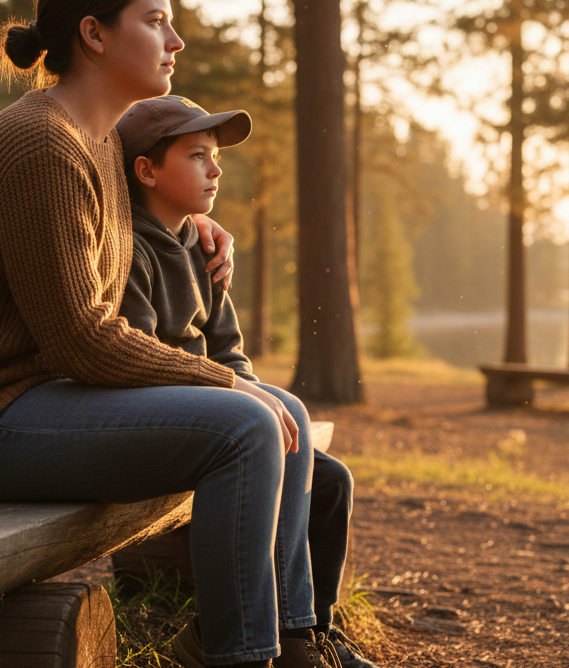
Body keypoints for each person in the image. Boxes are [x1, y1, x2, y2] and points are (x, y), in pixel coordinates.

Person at [0, 0, 339, 668]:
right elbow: (83, 341)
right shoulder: (41, 145)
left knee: (269, 408)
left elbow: (113, 227)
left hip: (35, 404)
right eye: (156, 21)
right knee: (248, 425)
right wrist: (230, 381)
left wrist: (195, 227)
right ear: (95, 35)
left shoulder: (94, 142)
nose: (176, 41)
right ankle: (239, 655)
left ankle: (289, 643)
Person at [114, 95, 380, 668]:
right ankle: (284, 643)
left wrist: (253, 394)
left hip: (218, 419)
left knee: (329, 482)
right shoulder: (127, 251)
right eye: (197, 156)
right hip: (170, 425)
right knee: (281, 424)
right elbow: (137, 367)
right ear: (147, 170)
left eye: (215, 156)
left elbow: (230, 355)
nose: (215, 169)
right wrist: (245, 402)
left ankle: (310, 631)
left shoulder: (204, 248)